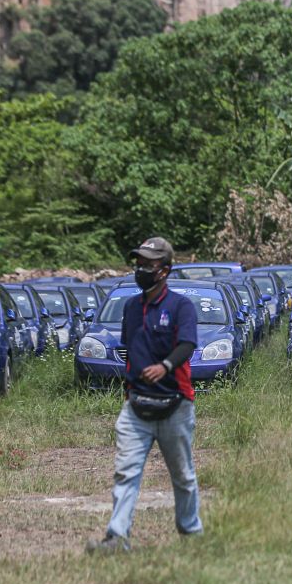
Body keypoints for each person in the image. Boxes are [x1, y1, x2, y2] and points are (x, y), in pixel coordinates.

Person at [87, 237, 203, 554]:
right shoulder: (131, 308)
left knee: (182, 476)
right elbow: (131, 351)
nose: (140, 269)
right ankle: (116, 537)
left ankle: (191, 533)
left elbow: (188, 346)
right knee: (126, 471)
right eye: (138, 263)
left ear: (164, 270)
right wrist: (129, 390)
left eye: (148, 264)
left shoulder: (181, 306)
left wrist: (165, 366)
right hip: (136, 406)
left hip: (175, 405)